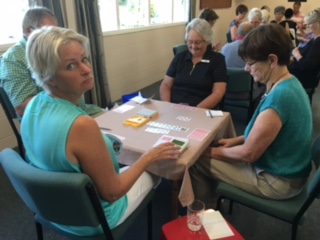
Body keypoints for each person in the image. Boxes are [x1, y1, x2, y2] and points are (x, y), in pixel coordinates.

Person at [21, 25, 181, 236]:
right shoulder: (81, 125)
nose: (86, 69)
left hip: (52, 208)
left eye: (84, 59)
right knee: (156, 171)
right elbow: (113, 193)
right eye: (71, 66)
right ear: (49, 77)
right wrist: (150, 156)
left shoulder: (32, 105)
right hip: (92, 218)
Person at [190, 24, 313, 210]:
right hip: (286, 170)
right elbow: (269, 134)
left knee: (196, 161)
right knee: (218, 151)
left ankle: (200, 216)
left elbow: (248, 154)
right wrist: (237, 139)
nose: (246, 69)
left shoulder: (280, 98)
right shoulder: (289, 82)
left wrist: (207, 152)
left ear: (272, 60)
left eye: (251, 63)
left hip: (278, 181)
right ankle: (213, 202)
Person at [0, 6, 102, 118]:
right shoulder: (13, 59)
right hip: (58, 119)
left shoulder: (57, 48)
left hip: (82, 111)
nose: (55, 37)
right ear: (29, 30)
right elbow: (23, 107)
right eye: (48, 31)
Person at [159, 18, 227, 109]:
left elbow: (218, 92)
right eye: (190, 42)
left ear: (207, 40)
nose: (193, 47)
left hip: (201, 109)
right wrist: (167, 104)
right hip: (174, 108)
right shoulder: (179, 58)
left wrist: (195, 110)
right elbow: (166, 85)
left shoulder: (217, 60)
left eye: (198, 42)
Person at [289, 8, 320, 90]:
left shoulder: (318, 41)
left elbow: (307, 65)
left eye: (310, 24)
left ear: (317, 23)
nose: (309, 27)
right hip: (300, 72)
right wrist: (294, 58)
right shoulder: (314, 39)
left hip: (305, 78)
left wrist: (296, 54)